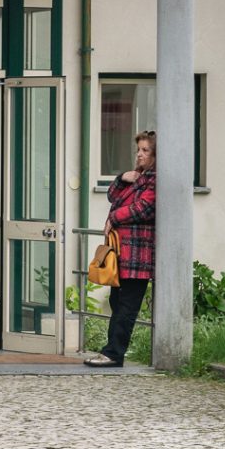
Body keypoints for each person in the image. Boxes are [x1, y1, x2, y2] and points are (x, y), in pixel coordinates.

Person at [85, 129, 157, 368]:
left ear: (156, 154)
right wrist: (121, 179)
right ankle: (111, 351)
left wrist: (113, 218)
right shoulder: (138, 176)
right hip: (123, 254)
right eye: (138, 150)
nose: (139, 155)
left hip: (138, 255)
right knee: (117, 302)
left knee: (126, 307)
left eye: (145, 150)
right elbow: (112, 196)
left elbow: (145, 208)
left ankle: (114, 354)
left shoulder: (156, 179)